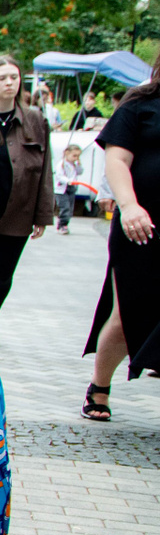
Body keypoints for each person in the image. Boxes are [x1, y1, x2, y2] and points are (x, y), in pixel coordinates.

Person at [82, 53, 160, 420]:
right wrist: (129, 206)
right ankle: (99, 386)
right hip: (140, 224)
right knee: (127, 312)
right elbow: (117, 160)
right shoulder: (140, 104)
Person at [0, 54, 52, 336]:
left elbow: (46, 168)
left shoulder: (35, 119)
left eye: (14, 77)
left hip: (19, 206)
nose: (9, 83)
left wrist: (43, 213)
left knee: (3, 273)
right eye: (2, 77)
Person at [55, 143, 85, 234]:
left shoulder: (74, 164)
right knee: (65, 207)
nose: (76, 158)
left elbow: (80, 172)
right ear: (67, 153)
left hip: (72, 188)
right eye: (74, 156)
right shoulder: (62, 164)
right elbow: (59, 176)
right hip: (62, 189)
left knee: (70, 209)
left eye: (78, 156)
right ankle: (62, 225)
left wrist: (79, 164)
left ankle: (64, 224)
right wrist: (68, 181)